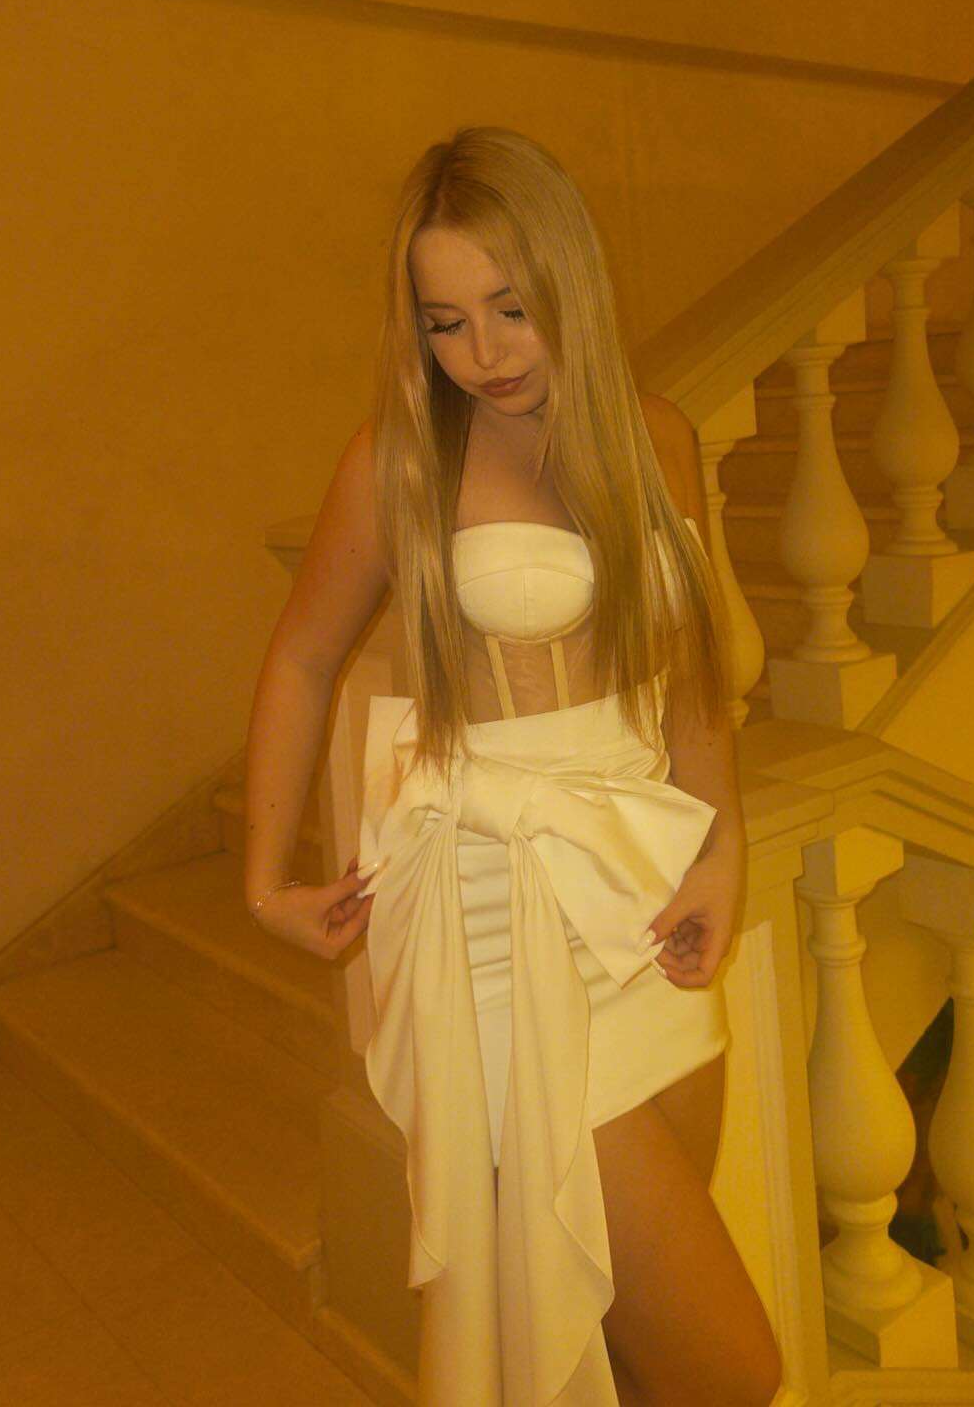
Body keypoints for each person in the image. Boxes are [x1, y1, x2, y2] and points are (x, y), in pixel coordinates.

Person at [242, 127, 782, 1406]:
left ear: (568, 282)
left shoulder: (657, 437)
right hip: (500, 921)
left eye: (510, 308)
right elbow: (300, 660)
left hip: (639, 893)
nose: (482, 353)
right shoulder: (397, 463)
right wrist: (264, 881)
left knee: (641, 1349)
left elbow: (690, 668)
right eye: (445, 323)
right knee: (732, 1374)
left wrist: (722, 848)